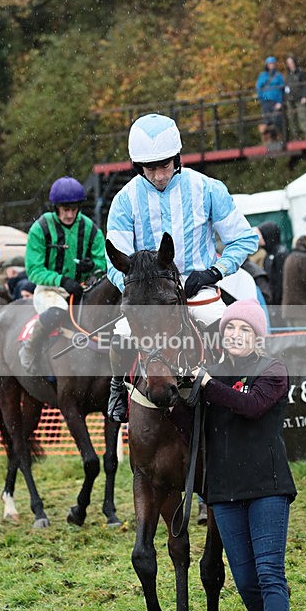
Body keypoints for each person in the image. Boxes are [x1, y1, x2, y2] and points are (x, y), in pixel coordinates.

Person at [105, 113, 258, 421]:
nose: (159, 175)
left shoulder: (209, 188)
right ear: (139, 167)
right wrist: (139, 293)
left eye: (165, 165)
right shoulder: (124, 200)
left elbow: (244, 239)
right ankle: (117, 391)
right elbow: (113, 261)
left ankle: (240, 392)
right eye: (151, 168)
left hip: (197, 284)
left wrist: (214, 272)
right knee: (120, 335)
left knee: (224, 328)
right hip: (150, 293)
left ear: (177, 158)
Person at [186, 299, 306, 611]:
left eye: (244, 330)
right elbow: (188, 421)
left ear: (257, 336)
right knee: (246, 579)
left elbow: (251, 406)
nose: (235, 335)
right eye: (230, 329)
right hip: (223, 492)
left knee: (270, 572)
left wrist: (207, 385)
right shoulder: (211, 375)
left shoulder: (271, 370)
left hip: (267, 487)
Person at [21, 176, 106, 373]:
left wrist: (92, 265)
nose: (69, 214)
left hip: (83, 288)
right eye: (65, 209)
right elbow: (34, 270)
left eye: (74, 209)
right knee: (57, 312)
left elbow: (103, 261)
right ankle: (30, 349)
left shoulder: (91, 229)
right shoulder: (40, 229)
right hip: (50, 290)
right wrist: (61, 280)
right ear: (56, 208)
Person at [281, 235, 306, 327]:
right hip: (302, 308)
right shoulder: (305, 259)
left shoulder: (290, 257)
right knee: (304, 340)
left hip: (289, 308)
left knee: (293, 340)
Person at [257, 221, 289, 327]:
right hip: (273, 303)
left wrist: (276, 303)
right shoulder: (269, 254)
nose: (259, 238)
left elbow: (281, 282)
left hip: (279, 305)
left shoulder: (280, 254)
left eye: (261, 235)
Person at [255, 56, 285, 140]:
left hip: (275, 101)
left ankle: (280, 139)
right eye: (270, 64)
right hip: (265, 101)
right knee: (267, 121)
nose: (271, 65)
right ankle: (270, 139)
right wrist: (261, 98)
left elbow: (282, 89)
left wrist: (280, 102)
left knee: (277, 120)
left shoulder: (278, 76)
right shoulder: (263, 75)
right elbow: (258, 87)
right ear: (267, 65)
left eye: (273, 64)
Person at [284, 55, 306, 139]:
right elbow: (286, 86)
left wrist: (304, 96)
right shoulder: (287, 74)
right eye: (289, 63)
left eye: (291, 62)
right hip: (290, 98)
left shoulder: (300, 72)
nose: (290, 64)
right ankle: (295, 136)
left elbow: (305, 85)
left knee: (302, 116)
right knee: (291, 118)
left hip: (299, 97)